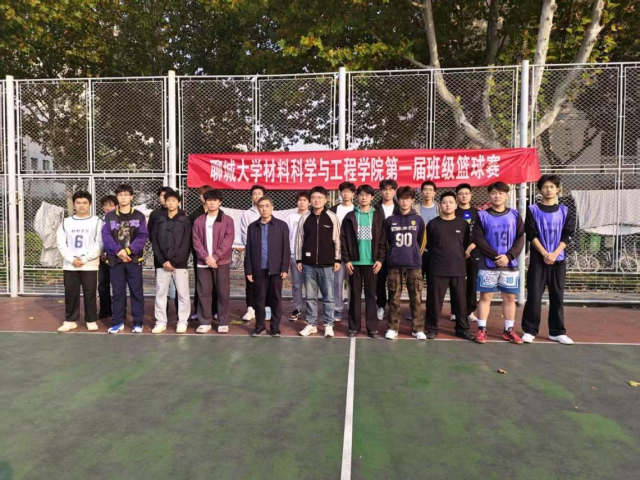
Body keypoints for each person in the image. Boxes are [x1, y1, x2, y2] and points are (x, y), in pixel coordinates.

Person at [521, 174, 575, 345]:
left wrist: (555, 253)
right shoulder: (532, 210)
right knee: (534, 295)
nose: (549, 190)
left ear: (558, 189)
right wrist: (545, 253)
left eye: (552, 186)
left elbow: (568, 234)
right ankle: (530, 330)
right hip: (538, 260)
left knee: (557, 295)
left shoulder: (565, 211)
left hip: (558, 260)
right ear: (540, 190)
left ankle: (557, 332)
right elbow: (531, 234)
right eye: (545, 187)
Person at [472, 181, 525, 345]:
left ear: (507, 195)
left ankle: (509, 330)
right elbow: (478, 239)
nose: (497, 196)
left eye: (501, 193)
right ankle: (482, 329)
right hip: (488, 263)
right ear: (489, 195)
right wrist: (496, 256)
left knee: (509, 297)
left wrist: (508, 256)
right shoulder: (482, 215)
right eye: (494, 193)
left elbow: (520, 238)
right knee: (486, 296)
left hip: (509, 264)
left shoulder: (514, 215)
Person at [424, 191, 474, 341]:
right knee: (434, 302)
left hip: (458, 268)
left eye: (451, 202)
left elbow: (465, 243)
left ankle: (462, 329)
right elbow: (429, 245)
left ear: (456, 205)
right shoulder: (433, 224)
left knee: (460, 302)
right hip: (437, 268)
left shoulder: (462, 224)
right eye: (444, 202)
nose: (447, 205)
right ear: (440, 205)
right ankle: (431, 329)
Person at [341, 184, 386, 338]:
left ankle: (372, 327)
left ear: (372, 197)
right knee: (354, 295)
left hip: (372, 263)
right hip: (354, 263)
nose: (364, 197)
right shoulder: (350, 217)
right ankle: (354, 326)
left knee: (371, 296)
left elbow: (383, 240)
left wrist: (380, 259)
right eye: (361, 195)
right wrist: (347, 260)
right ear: (357, 197)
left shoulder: (378, 216)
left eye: (367, 195)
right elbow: (343, 240)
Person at [102, 184, 149, 334]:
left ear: (131, 197)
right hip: (116, 261)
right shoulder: (109, 216)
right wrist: (118, 251)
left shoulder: (139, 216)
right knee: (117, 293)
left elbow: (142, 237)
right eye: (120, 195)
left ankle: (137, 323)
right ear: (117, 197)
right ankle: (118, 322)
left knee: (136, 292)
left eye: (126, 194)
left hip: (133, 261)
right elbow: (106, 237)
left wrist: (128, 251)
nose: (123, 197)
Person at [296, 186, 341, 338]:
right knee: (310, 296)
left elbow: (337, 240)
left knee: (328, 297)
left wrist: (337, 258)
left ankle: (328, 324)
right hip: (308, 264)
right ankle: (311, 324)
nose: (317, 200)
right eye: (314, 198)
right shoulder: (304, 218)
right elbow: (299, 240)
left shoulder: (332, 217)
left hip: (327, 264)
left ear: (326, 200)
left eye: (320, 198)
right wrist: (299, 259)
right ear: (310, 200)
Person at [383, 186, 426, 340]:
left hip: (413, 264)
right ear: (398, 200)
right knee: (394, 297)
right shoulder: (390, 220)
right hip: (395, 264)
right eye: (401, 199)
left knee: (416, 298)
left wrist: (415, 254)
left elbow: (422, 241)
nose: (404, 202)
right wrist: (393, 254)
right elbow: (386, 241)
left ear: (412, 200)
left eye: (407, 199)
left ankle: (418, 328)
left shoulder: (418, 219)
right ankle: (393, 328)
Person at [56, 191, 103, 332]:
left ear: (90, 204)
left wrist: (85, 258)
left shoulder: (97, 221)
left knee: (90, 294)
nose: (81, 205)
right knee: (71, 294)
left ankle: (91, 319)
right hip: (70, 265)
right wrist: (72, 259)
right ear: (74, 204)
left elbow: (100, 243)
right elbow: (61, 244)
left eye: (84, 203)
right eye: (78, 202)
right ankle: (70, 320)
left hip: (89, 265)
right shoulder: (66, 222)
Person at [244, 196, 290, 337]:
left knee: (276, 299)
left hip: (276, 269)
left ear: (272, 207)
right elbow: (248, 250)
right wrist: (249, 270)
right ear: (258, 208)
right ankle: (260, 326)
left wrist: (284, 268)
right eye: (261, 206)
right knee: (259, 300)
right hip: (258, 269)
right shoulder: (252, 227)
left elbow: (286, 249)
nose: (264, 209)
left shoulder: (281, 226)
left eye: (267, 206)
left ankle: (275, 327)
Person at [192, 189, 235, 334]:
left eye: (215, 200)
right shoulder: (199, 221)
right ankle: (205, 322)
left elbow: (228, 241)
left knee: (223, 292)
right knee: (203, 292)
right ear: (205, 201)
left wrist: (215, 257)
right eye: (209, 200)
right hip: (203, 262)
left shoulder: (227, 220)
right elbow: (196, 242)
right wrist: (206, 258)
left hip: (221, 262)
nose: (211, 203)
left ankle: (223, 322)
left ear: (220, 202)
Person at [150, 191, 192, 334]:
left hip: (179, 265)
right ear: (164, 202)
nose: (170, 203)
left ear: (178, 202)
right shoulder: (159, 220)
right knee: (160, 293)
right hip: (162, 265)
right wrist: (163, 261)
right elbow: (154, 242)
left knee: (183, 294)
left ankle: (182, 321)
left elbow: (186, 244)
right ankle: (161, 322)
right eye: (168, 200)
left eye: (174, 200)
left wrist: (174, 261)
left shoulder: (185, 221)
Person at [148, 186, 178, 314]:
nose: (165, 199)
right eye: (162, 196)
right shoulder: (155, 214)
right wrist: (160, 254)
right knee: (161, 287)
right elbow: (151, 234)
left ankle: (179, 314)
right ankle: (162, 314)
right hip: (160, 257)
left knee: (179, 287)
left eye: (168, 196)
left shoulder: (180, 214)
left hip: (177, 257)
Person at [189, 185, 217, 323]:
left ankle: (216, 310)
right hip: (200, 256)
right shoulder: (195, 215)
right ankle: (198, 310)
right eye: (202, 194)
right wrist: (201, 254)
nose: (205, 197)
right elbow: (192, 237)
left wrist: (215, 256)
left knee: (217, 285)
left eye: (208, 194)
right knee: (200, 285)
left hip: (216, 257)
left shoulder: (220, 214)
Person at [374, 179, 401, 321]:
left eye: (391, 190)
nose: (387, 192)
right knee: (379, 280)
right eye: (385, 189)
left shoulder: (400, 208)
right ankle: (381, 306)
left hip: (396, 250)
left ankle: (393, 307)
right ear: (380, 191)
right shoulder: (375, 208)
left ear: (395, 191)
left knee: (395, 281)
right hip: (379, 250)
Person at [329, 181, 356, 323]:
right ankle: (337, 309)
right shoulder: (332, 210)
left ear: (353, 194)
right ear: (340, 193)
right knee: (337, 283)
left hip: (353, 252)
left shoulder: (357, 209)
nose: (346, 194)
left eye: (348, 192)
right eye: (343, 191)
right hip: (337, 252)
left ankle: (352, 308)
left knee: (353, 283)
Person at [240, 185, 267, 323]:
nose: (257, 196)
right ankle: (250, 309)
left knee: (266, 282)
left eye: (259, 193)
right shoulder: (247, 214)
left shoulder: (270, 212)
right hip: (251, 253)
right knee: (251, 281)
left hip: (267, 254)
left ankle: (266, 308)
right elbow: (244, 233)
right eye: (254, 193)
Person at [454, 183, 480, 323]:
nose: (464, 196)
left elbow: (480, 234)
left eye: (466, 193)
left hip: (473, 253)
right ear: (457, 196)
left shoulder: (477, 213)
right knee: (456, 283)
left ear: (471, 195)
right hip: (456, 253)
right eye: (460, 194)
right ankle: (455, 311)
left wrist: (470, 248)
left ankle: (470, 311)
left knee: (471, 282)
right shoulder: (453, 212)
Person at [287, 190, 310, 321]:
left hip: (309, 257)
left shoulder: (312, 216)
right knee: (296, 284)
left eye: (304, 200)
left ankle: (311, 311)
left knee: (310, 285)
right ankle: (297, 308)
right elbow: (287, 237)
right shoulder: (291, 217)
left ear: (309, 203)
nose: (301, 203)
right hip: (294, 255)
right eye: (300, 200)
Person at [415, 181, 440, 285]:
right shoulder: (415, 208)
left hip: (434, 250)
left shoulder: (439, 208)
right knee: (417, 281)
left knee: (433, 281)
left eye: (430, 190)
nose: (428, 192)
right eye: (425, 190)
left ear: (434, 193)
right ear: (421, 192)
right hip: (418, 250)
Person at [98, 195, 117, 320]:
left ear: (116, 206)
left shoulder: (119, 220)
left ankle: (119, 310)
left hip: (116, 256)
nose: (108, 208)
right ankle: (104, 309)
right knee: (103, 284)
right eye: (105, 205)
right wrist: (100, 253)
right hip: (102, 257)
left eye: (111, 205)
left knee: (117, 285)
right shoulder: (100, 221)